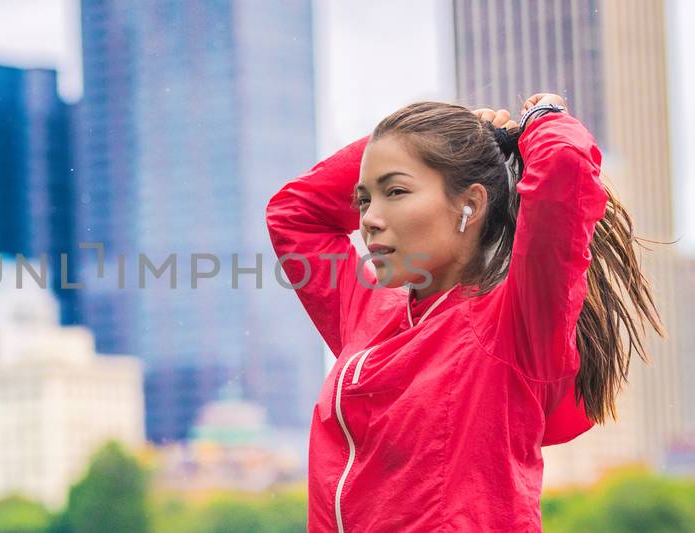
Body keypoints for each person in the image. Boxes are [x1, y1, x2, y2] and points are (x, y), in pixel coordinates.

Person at [265, 93, 663, 531]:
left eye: (395, 191)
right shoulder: (368, 311)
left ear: (469, 205)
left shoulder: (514, 320)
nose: (370, 219)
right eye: (363, 200)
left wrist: (542, 120)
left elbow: (564, 169)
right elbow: (294, 213)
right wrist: (418, 145)